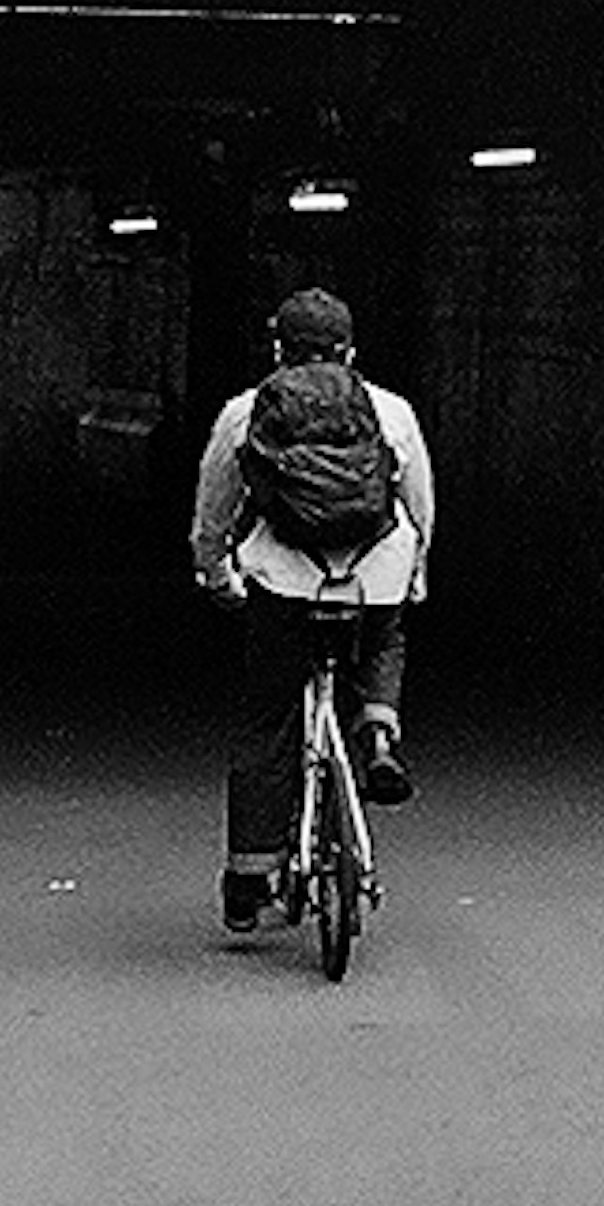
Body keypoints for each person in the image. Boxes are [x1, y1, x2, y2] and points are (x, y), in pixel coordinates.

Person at [190, 287, 434, 934]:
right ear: (350, 350)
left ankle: (248, 878)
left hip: (286, 585)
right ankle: (377, 732)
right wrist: (416, 570)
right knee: (383, 642)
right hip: (373, 577)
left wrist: (216, 572)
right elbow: (419, 503)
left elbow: (213, 512)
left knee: (268, 717)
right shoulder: (391, 412)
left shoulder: (247, 412)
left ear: (278, 351)